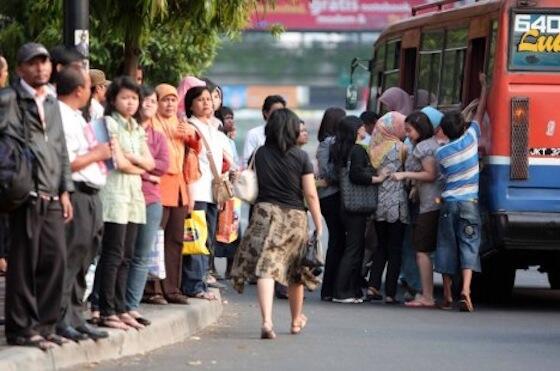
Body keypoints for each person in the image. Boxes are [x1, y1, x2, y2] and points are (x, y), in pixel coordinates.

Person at [1, 42, 74, 350]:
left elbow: (60, 149)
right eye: (33, 63)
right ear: (20, 69)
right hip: (24, 195)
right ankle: (20, 329)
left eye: (44, 62)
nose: (40, 68)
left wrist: (65, 189)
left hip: (53, 195)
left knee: (55, 260)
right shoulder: (8, 99)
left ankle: (45, 325)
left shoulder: (54, 103)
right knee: (23, 264)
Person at [230, 108, 323, 339]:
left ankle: (267, 322)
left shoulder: (259, 153)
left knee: (265, 268)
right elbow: (310, 194)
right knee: (295, 272)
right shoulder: (301, 157)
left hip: (263, 213)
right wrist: (318, 223)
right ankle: (294, 321)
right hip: (293, 217)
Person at [56, 65, 111, 341]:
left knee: (85, 257)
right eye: (90, 86)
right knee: (71, 257)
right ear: (79, 90)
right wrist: (98, 153)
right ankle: (61, 318)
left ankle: (76, 316)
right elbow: (66, 163)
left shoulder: (78, 116)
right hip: (76, 191)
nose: (94, 91)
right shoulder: (61, 118)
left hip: (92, 193)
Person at [96, 76, 154, 330]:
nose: (131, 103)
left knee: (127, 256)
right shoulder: (108, 123)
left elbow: (151, 163)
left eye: (134, 98)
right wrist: (137, 164)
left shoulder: (137, 127)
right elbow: (117, 162)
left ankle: (120, 308)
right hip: (114, 196)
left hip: (134, 198)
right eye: (125, 98)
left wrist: (134, 160)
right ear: (112, 99)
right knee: (112, 254)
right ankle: (105, 309)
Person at [435, 73, 488, 312]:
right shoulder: (471, 138)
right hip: (469, 203)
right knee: (469, 244)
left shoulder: (441, 153)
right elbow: (479, 113)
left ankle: (447, 293)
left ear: (444, 132)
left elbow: (443, 179)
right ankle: (466, 290)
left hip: (449, 204)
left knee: (446, 246)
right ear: (463, 127)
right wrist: (485, 88)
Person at [143, 83, 199, 305]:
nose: (169, 104)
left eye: (173, 100)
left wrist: (192, 136)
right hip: (157, 186)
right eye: (164, 99)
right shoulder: (150, 123)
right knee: (153, 240)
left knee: (175, 240)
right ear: (156, 102)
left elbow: (194, 152)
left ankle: (172, 288)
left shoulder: (181, 123)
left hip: (179, 188)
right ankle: (151, 289)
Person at [331, 116, 387, 303]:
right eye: (362, 127)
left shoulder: (341, 149)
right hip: (356, 207)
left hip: (347, 205)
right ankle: (342, 292)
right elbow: (356, 174)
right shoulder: (356, 150)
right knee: (354, 250)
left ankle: (350, 290)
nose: (365, 130)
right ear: (357, 130)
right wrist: (377, 178)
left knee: (353, 248)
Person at [182, 85, 231, 300]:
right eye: (201, 100)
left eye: (209, 99)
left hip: (212, 193)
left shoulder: (215, 129)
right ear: (191, 104)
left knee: (207, 239)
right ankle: (194, 285)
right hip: (197, 191)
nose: (206, 103)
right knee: (195, 240)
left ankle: (201, 281)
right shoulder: (189, 127)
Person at [125, 85, 169, 323]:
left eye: (153, 101)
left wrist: (144, 169)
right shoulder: (124, 131)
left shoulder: (158, 137)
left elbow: (163, 166)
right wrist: (147, 170)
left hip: (151, 200)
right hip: (126, 197)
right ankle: (114, 305)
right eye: (145, 100)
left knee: (141, 256)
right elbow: (119, 162)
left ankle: (131, 305)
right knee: (122, 254)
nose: (149, 104)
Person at [391, 110, 442, 308]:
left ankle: (427, 295)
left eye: (409, 130)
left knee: (421, 251)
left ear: (420, 129)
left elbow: (430, 174)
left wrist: (405, 175)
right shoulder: (427, 145)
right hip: (428, 201)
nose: (407, 134)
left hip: (429, 204)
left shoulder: (423, 148)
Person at [367, 112, 409, 304]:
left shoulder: (373, 148)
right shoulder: (401, 147)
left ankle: (373, 286)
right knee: (395, 249)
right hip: (397, 203)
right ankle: (390, 292)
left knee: (380, 247)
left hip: (379, 203)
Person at [315, 107, 346, 301]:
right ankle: (328, 288)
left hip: (334, 195)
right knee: (336, 240)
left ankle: (333, 286)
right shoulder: (327, 144)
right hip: (330, 195)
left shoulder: (334, 143)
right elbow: (327, 171)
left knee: (339, 240)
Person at [242, 95, 286, 165]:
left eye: (282, 111)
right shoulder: (254, 134)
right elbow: (247, 163)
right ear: (266, 113)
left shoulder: (288, 133)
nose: (279, 115)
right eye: (275, 111)